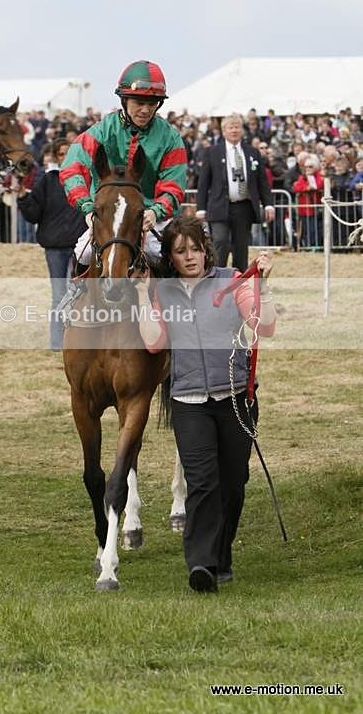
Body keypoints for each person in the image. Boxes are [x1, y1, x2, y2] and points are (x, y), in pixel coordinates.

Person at [135, 215, 276, 593]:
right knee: (202, 482)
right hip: (189, 401)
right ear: (170, 256)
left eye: (195, 248)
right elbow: (153, 343)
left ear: (205, 249)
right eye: (180, 251)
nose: (190, 256)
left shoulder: (232, 281)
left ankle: (221, 555)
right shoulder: (162, 292)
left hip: (235, 399)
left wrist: (263, 288)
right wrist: (140, 296)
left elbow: (265, 326)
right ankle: (201, 564)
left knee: (233, 483)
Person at [60, 60, 188, 266]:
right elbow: (71, 167)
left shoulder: (171, 138)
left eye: (152, 103)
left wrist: (155, 211)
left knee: (160, 255)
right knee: (82, 254)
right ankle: (74, 295)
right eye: (139, 102)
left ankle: (175, 298)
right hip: (108, 217)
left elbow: (174, 186)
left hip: (150, 217)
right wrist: (87, 206)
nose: (146, 110)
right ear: (125, 100)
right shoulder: (102, 131)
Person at [17, 138, 87, 349]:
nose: (67, 157)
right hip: (55, 248)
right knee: (59, 295)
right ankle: (57, 343)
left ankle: (77, 341)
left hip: (81, 248)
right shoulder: (47, 181)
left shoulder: (87, 181)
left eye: (70, 152)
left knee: (77, 294)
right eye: (62, 153)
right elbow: (33, 213)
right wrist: (22, 198)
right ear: (57, 156)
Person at [196, 113, 275, 271]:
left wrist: (268, 205)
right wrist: (201, 208)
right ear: (223, 131)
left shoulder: (253, 152)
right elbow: (203, 183)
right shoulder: (212, 152)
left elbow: (262, 181)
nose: (234, 130)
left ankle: (239, 285)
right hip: (219, 206)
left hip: (243, 207)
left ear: (242, 130)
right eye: (230, 127)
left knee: (241, 247)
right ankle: (216, 280)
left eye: (237, 127)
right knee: (220, 242)